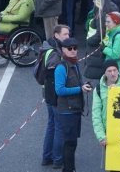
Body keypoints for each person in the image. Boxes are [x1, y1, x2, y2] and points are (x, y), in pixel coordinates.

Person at [54, 37, 92, 172]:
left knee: (72, 142)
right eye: (69, 49)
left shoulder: (74, 64)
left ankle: (70, 168)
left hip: (74, 109)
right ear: (63, 50)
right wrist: (79, 89)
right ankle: (68, 169)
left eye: (75, 48)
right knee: (69, 143)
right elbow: (59, 90)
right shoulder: (61, 67)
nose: (73, 51)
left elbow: (75, 83)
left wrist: (83, 85)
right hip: (67, 111)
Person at [41, 25, 71, 168]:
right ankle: (58, 159)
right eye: (65, 34)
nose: (67, 36)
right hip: (55, 94)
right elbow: (54, 74)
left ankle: (46, 157)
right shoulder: (55, 53)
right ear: (56, 35)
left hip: (47, 92)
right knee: (58, 126)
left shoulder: (47, 48)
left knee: (51, 125)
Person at [92, 60, 120, 150]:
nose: (113, 73)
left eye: (115, 70)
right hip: (109, 132)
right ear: (105, 73)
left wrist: (118, 92)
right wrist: (101, 136)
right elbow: (96, 114)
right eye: (109, 71)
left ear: (118, 70)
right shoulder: (98, 89)